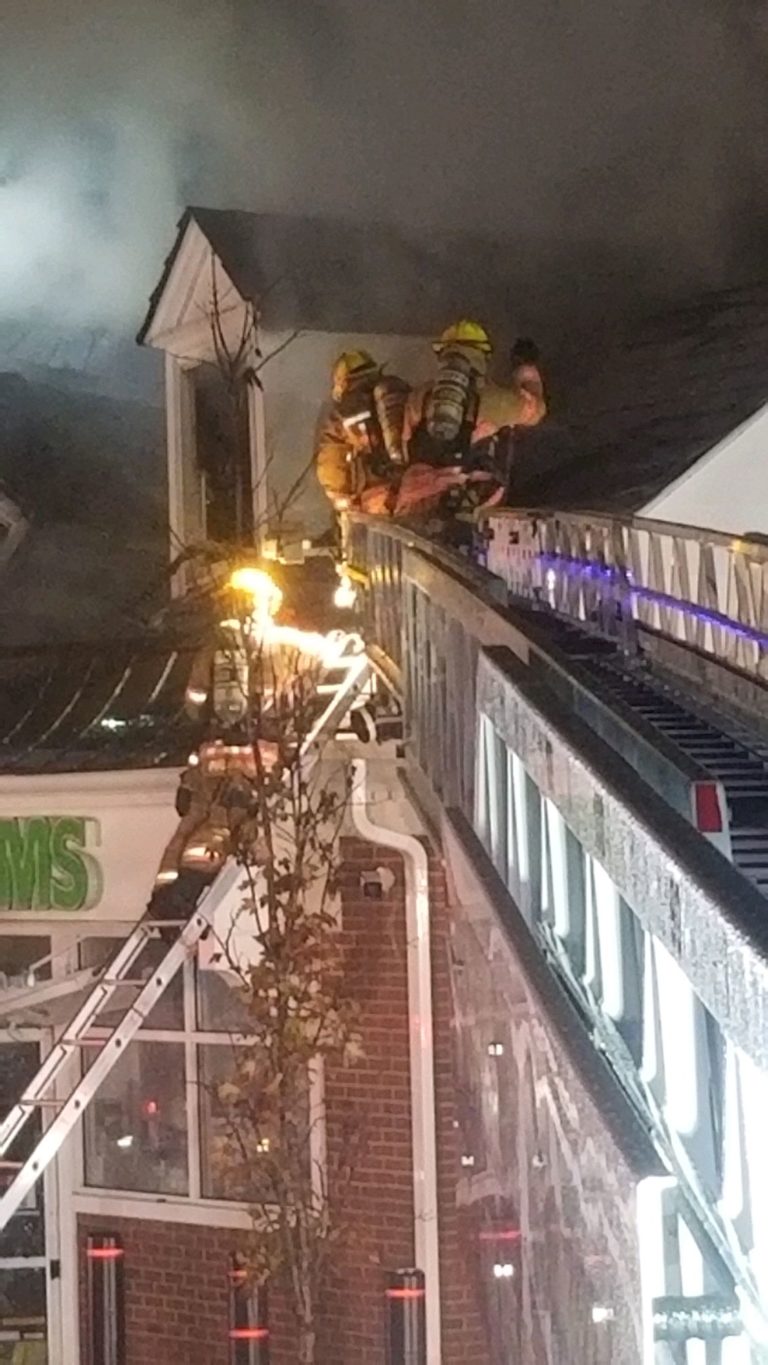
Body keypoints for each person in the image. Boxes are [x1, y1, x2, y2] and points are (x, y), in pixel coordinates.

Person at [396, 322, 546, 517]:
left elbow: (406, 444)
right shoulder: (493, 399)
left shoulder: (418, 396)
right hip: (466, 507)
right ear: (483, 356)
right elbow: (536, 411)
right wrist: (526, 368)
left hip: (414, 502)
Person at [314, 351, 409, 516]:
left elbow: (331, 462)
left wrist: (340, 499)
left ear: (342, 381)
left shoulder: (341, 412)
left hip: (374, 497)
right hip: (413, 486)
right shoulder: (396, 392)